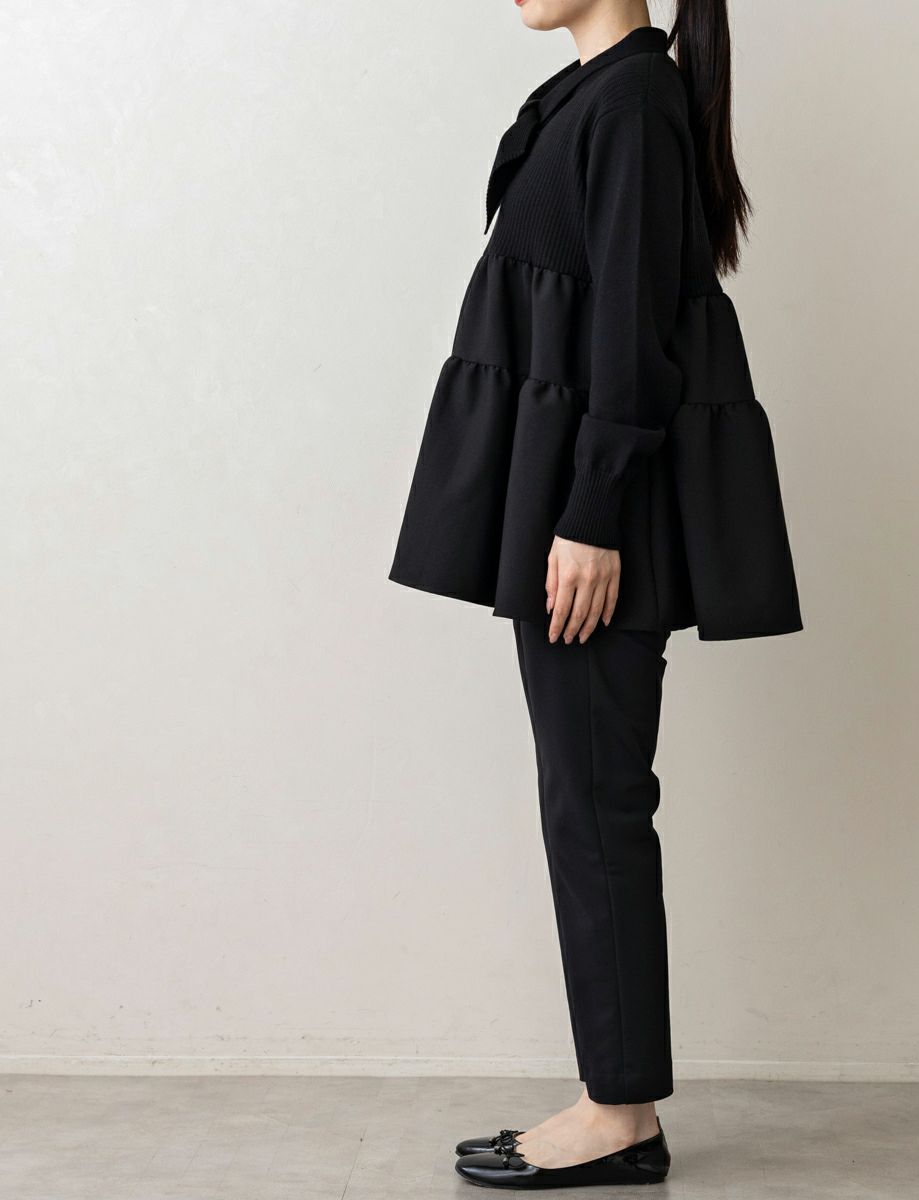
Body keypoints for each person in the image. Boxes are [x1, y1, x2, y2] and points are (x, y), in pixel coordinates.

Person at [387, 0, 803, 1189]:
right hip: (568, 506)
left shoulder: (630, 101)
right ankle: (614, 1100)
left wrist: (591, 517)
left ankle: (619, 1116)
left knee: (597, 805)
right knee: (588, 800)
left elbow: (631, 332)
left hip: (591, 523)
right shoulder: (598, 95)